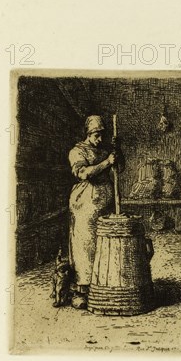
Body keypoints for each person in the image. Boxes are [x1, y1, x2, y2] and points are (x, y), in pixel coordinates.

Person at [68, 115, 124, 309]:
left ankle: (104, 287)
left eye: (102, 135)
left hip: (105, 204)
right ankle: (82, 290)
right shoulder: (77, 151)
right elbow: (84, 174)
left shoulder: (104, 151)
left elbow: (119, 169)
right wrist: (107, 162)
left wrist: (118, 154)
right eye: (96, 135)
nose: (100, 139)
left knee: (106, 244)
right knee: (86, 245)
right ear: (88, 134)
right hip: (86, 205)